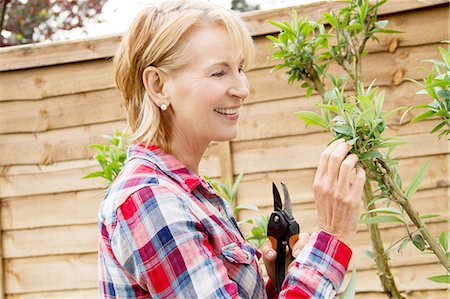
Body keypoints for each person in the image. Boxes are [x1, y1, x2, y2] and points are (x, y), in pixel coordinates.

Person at [98, 1, 366, 298]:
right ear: (159, 85)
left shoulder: (189, 193)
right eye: (218, 73)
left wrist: (284, 282)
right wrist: (333, 236)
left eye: (239, 68)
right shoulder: (149, 200)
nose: (242, 88)